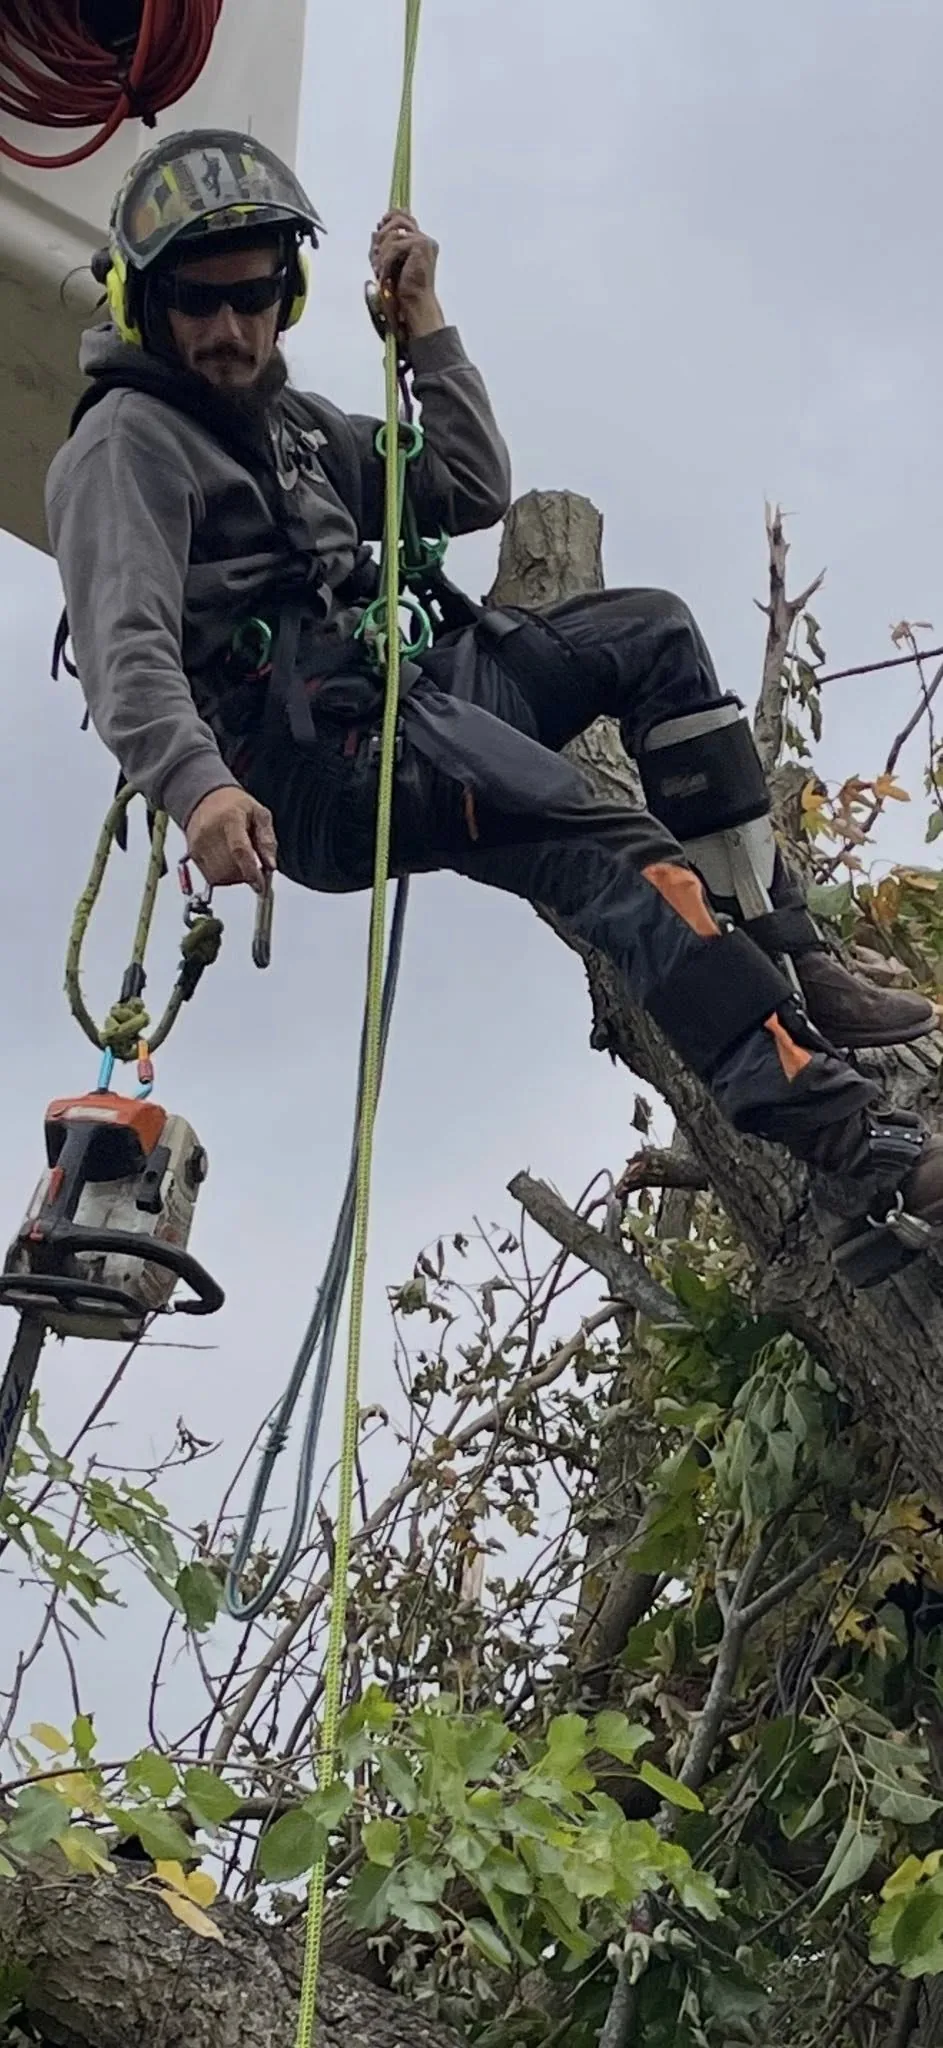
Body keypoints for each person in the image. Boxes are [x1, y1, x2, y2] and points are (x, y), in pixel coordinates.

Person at [44, 128, 943, 1292]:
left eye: (251, 299)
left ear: (287, 292)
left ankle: (785, 952)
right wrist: (199, 783)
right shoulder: (126, 445)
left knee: (652, 630)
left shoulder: (293, 429)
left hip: (411, 699)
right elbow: (127, 650)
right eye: (195, 305)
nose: (226, 331)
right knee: (603, 848)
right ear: (140, 297)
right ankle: (862, 1152)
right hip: (317, 771)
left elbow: (467, 484)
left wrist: (424, 324)